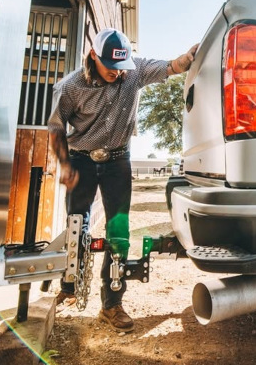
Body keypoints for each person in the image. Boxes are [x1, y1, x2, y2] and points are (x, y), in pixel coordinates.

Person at [47, 28, 197, 332]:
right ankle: (70, 284)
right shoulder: (70, 86)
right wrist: (64, 164)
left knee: (119, 229)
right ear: (94, 56)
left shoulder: (134, 71)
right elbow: (56, 127)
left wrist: (187, 58)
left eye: (121, 66)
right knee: (78, 222)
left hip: (117, 161)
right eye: (110, 67)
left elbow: (172, 66)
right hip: (80, 160)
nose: (118, 73)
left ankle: (112, 304)